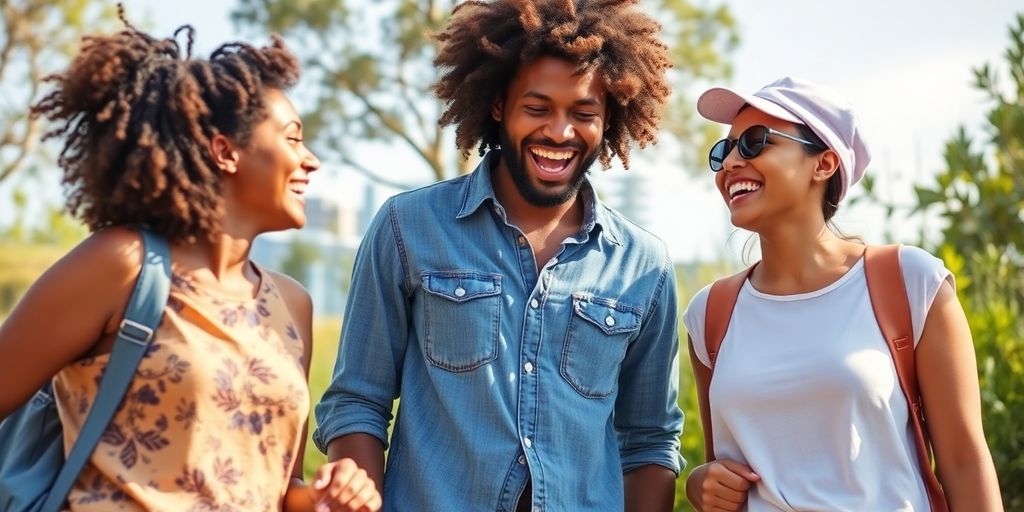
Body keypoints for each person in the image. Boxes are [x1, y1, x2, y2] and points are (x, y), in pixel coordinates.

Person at [0, 13, 380, 512]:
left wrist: (325, 495)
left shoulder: (292, 305)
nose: (310, 160)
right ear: (225, 151)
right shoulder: (123, 265)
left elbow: (279, 487)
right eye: (291, 138)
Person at [313, 0, 684, 510]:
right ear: (497, 107)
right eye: (537, 108)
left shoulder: (644, 265)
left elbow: (650, 440)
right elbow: (358, 401)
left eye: (583, 114)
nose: (559, 132)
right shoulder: (408, 227)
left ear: (608, 120)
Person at [682, 76, 1003, 511]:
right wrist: (701, 481)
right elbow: (724, 463)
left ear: (825, 163)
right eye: (724, 150)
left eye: (755, 142)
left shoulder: (911, 282)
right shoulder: (710, 314)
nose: (731, 163)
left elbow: (964, 462)